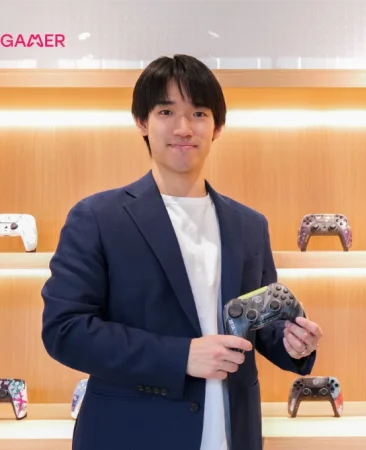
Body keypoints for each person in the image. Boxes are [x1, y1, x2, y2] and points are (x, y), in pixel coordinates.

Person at [41, 54, 323, 450]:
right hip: (130, 436)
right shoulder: (97, 218)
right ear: (142, 121)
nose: (183, 128)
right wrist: (181, 356)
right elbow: (65, 330)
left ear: (217, 127)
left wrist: (294, 342)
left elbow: (257, 325)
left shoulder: (249, 224)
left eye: (199, 113)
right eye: (166, 111)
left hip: (232, 435)